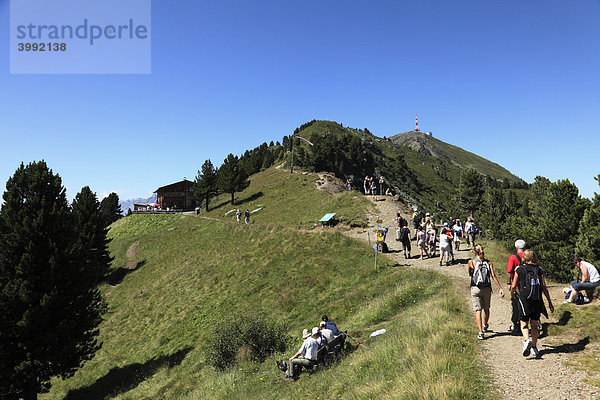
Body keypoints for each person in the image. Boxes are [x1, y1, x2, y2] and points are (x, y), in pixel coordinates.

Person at [510, 249, 554, 357]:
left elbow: (513, 285)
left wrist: (512, 295)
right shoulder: (539, 270)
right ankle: (534, 347)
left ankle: (526, 340)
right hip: (537, 299)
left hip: (524, 298)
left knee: (524, 322)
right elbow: (544, 286)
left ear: (524, 258)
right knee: (534, 323)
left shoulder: (519, 269)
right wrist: (549, 302)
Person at [469, 244, 504, 339]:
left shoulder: (471, 262)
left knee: (478, 310)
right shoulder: (489, 262)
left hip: (475, 288)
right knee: (486, 308)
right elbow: (493, 276)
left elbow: (470, 274)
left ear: (474, 252)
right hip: (487, 288)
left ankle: (481, 332)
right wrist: (500, 288)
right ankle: (485, 325)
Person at [506, 239, 526, 334]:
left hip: (517, 286)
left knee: (516, 306)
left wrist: (509, 283)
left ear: (516, 248)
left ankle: (516, 325)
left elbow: (509, 271)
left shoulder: (513, 258)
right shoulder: (529, 256)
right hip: (528, 286)